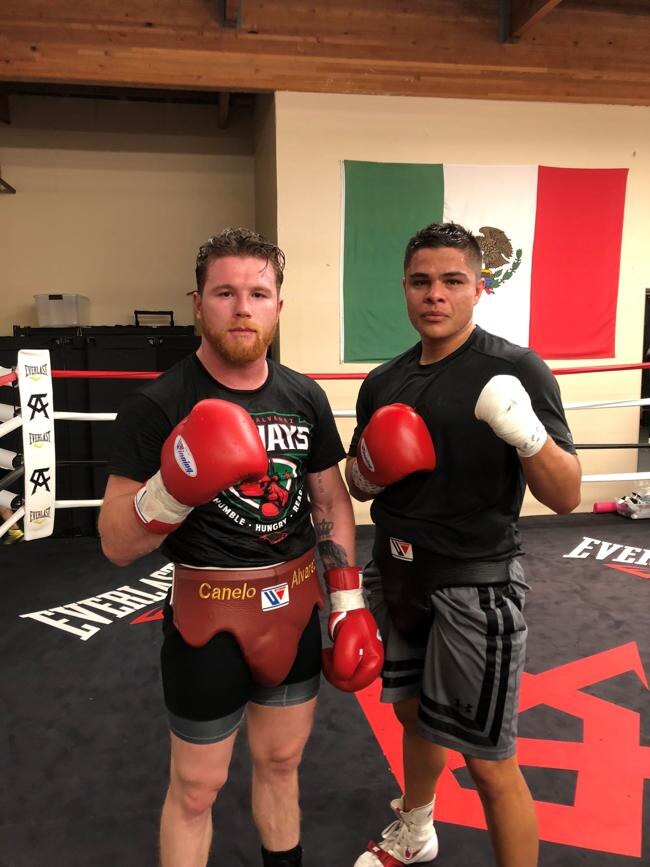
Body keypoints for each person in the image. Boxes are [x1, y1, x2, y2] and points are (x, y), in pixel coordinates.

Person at [98, 228, 383, 867]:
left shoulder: (303, 395)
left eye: (259, 293)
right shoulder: (158, 404)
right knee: (197, 789)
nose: (243, 307)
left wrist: (346, 600)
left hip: (292, 608)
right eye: (225, 292)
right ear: (198, 303)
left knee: (282, 764)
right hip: (208, 616)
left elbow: (331, 501)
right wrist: (171, 491)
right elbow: (116, 542)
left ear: (279, 306)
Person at [345, 222, 581, 867]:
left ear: (480, 287)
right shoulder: (384, 381)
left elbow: (565, 496)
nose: (435, 295)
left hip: (473, 585)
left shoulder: (514, 368)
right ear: (404, 289)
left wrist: (528, 435)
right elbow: (359, 485)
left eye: (452, 281)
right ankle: (415, 828)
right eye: (421, 281)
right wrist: (366, 469)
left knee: (487, 760)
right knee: (413, 714)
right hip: (395, 574)